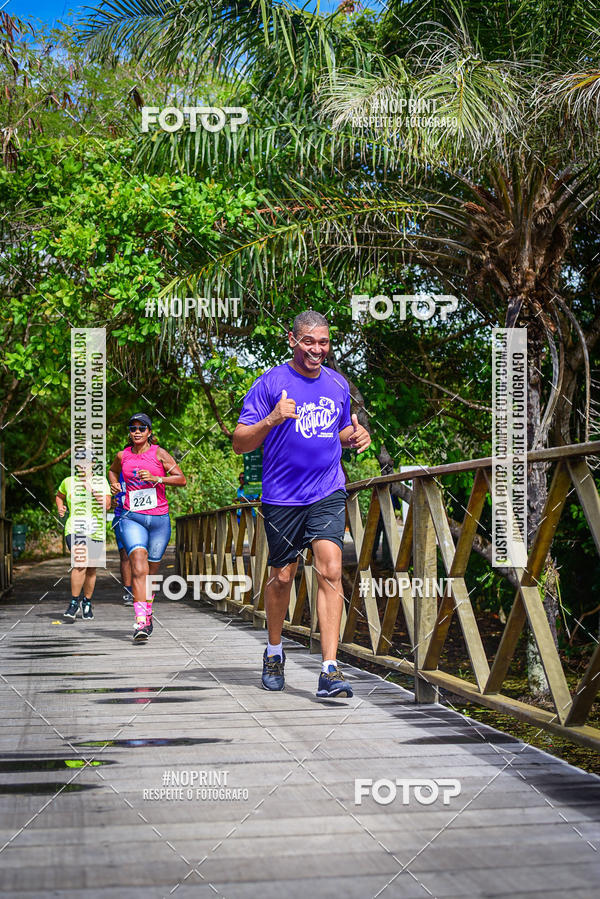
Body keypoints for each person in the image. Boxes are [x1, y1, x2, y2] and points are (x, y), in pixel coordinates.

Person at [233, 310, 371, 697]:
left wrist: (356, 438)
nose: (316, 349)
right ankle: (274, 651)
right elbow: (241, 441)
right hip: (282, 497)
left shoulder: (337, 383)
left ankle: (330, 669)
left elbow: (341, 429)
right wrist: (272, 419)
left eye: (323, 342)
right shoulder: (270, 383)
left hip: (327, 490)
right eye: (308, 341)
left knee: (330, 569)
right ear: (292, 340)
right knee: (282, 576)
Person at [108, 413, 186, 642]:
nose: (137, 432)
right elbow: (113, 471)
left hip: (159, 519)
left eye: (142, 428)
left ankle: (148, 611)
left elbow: (181, 479)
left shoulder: (159, 453)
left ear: (149, 432)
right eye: (133, 428)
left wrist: (156, 478)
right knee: (138, 567)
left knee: (151, 572)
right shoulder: (122, 455)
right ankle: (141, 622)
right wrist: (114, 484)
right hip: (133, 518)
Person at [56, 460, 112, 621]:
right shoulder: (68, 481)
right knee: (80, 562)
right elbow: (59, 496)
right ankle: (74, 602)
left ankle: (86, 602)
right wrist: (60, 506)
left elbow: (107, 505)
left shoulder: (101, 481)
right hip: (74, 528)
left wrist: (91, 489)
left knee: (91, 568)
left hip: (95, 530)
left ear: (93, 463)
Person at [111, 468, 133, 605]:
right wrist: (112, 501)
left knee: (142, 555)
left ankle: (144, 590)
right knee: (125, 555)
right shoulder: (116, 475)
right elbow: (110, 499)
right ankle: (128, 592)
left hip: (143, 516)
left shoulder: (144, 470)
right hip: (121, 517)